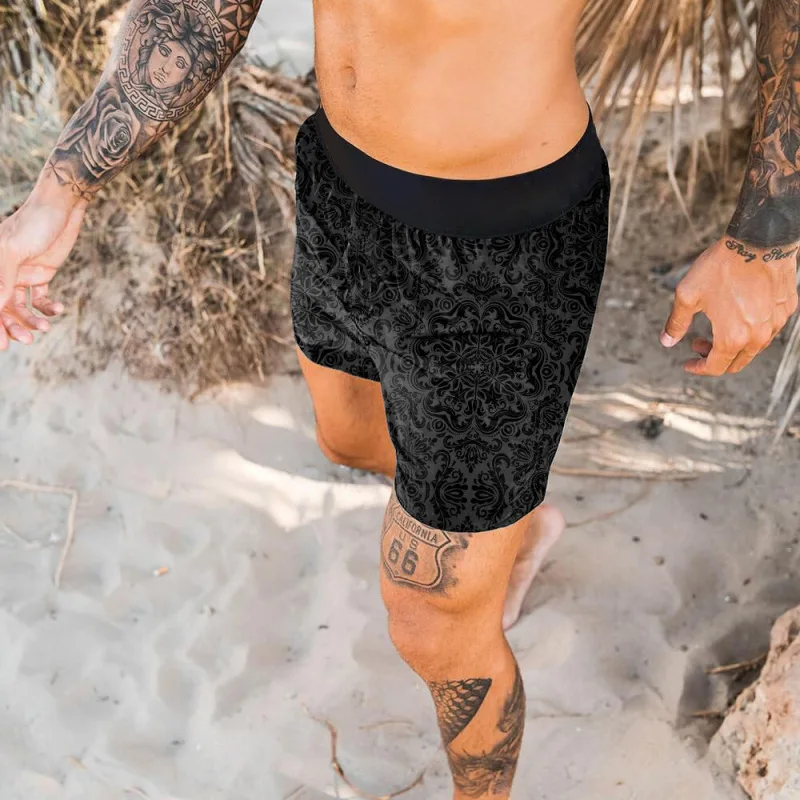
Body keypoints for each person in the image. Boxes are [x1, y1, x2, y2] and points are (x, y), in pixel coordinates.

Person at [0, 0, 798, 796]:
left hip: (500, 254)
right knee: (348, 439)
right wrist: (61, 187)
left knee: (430, 619)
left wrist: (768, 237)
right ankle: (514, 531)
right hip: (342, 195)